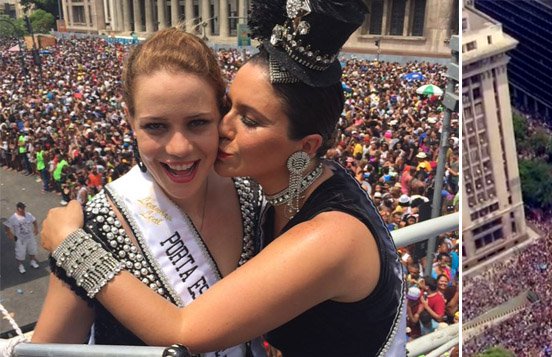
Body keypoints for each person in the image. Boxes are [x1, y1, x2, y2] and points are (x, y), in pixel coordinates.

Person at [41, 0, 406, 355]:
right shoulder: (280, 194)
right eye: (228, 107)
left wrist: (70, 245)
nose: (223, 128)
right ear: (129, 121)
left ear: (307, 145)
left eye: (248, 120)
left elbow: (182, 332)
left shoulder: (322, 231)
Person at [31, 29, 266, 357]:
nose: (179, 147)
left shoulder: (257, 198)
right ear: (130, 118)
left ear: (221, 114)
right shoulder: (93, 228)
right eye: (156, 126)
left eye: (198, 123)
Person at [3, 202, 39, 274]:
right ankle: (20, 266)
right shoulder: (13, 218)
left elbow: (34, 221)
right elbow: (7, 226)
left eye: (24, 208)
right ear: (18, 209)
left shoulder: (28, 215)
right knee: (20, 253)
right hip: (20, 240)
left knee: (32, 250)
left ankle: (32, 261)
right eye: (22, 208)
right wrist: (10, 234)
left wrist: (36, 228)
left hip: (30, 237)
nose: (23, 209)